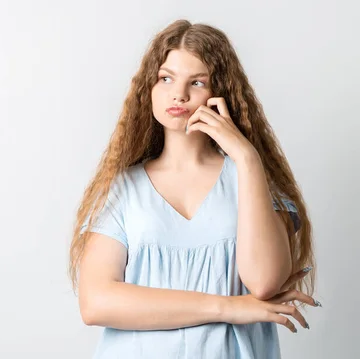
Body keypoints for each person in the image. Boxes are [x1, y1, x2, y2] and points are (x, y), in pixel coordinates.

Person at [68, 19, 320, 359]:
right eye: (166, 78)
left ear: (221, 93)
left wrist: (246, 156)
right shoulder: (123, 188)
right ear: (150, 88)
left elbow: (264, 283)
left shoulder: (252, 179)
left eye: (197, 81)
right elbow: (96, 303)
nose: (179, 94)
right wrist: (230, 308)